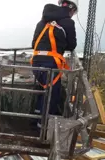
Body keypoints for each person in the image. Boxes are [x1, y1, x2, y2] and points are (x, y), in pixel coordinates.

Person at [31, 0, 78, 129]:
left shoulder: (41, 22)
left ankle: (36, 118)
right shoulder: (68, 22)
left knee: (44, 89)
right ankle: (43, 127)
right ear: (71, 9)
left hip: (36, 62)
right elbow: (72, 45)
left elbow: (33, 43)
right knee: (53, 94)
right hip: (51, 63)